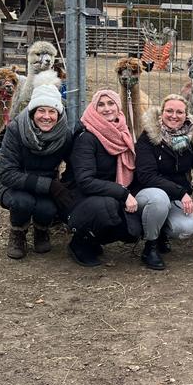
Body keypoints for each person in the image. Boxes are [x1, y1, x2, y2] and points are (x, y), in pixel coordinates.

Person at [0, 85, 75, 260]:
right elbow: (7, 173)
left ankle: (41, 229)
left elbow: (73, 165)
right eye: (41, 111)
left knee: (47, 208)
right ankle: (18, 232)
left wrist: (64, 185)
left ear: (59, 114)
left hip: (44, 185)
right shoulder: (16, 130)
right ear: (32, 112)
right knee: (23, 202)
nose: (46, 116)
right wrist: (51, 186)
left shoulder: (65, 135)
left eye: (52, 111)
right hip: (12, 184)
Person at [65, 89, 141, 267]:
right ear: (94, 108)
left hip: (109, 194)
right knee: (107, 207)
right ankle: (79, 242)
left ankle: (94, 239)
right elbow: (85, 181)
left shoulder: (121, 132)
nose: (107, 109)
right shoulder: (87, 137)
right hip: (79, 197)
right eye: (101, 104)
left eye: (110, 103)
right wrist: (122, 193)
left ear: (118, 106)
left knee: (132, 230)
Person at [132, 94, 193, 270]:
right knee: (159, 199)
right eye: (169, 111)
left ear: (186, 115)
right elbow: (146, 176)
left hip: (174, 194)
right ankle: (150, 246)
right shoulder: (148, 138)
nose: (174, 116)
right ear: (161, 113)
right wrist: (180, 192)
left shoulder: (190, 137)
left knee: (186, 227)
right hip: (148, 193)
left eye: (180, 112)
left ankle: (161, 231)